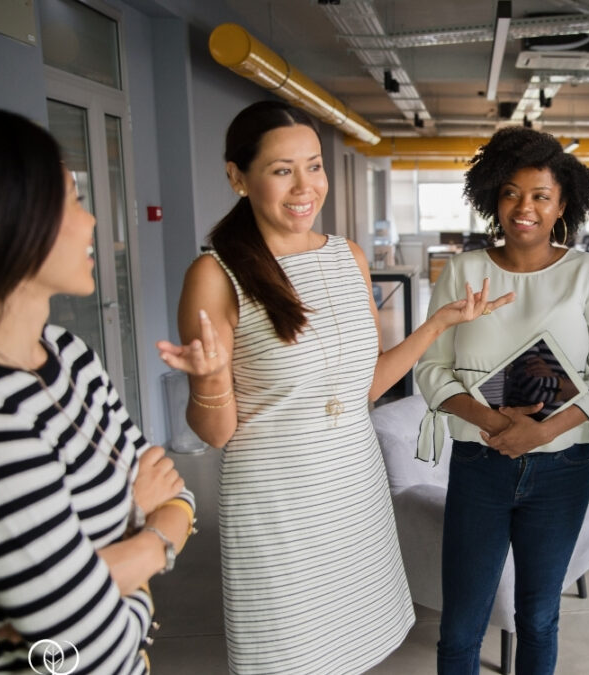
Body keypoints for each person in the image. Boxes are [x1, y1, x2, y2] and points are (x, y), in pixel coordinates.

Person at [156, 100, 512, 674]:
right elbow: (217, 432)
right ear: (236, 176)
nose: (305, 186)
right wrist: (207, 380)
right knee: (287, 655)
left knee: (352, 648)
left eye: (314, 165)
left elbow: (363, 386)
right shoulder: (216, 274)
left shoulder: (347, 257)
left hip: (352, 485)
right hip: (276, 501)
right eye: (281, 169)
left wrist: (438, 324)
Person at [414, 126, 589, 675]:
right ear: (492, 197)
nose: (523, 207)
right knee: (461, 625)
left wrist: (543, 431)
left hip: (562, 469)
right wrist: (492, 421)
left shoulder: (588, 274)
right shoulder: (462, 271)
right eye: (510, 192)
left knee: (538, 617)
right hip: (479, 465)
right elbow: (430, 370)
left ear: (562, 206)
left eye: (540, 196)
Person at [0, 108, 195, 673]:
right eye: (72, 200)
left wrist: (95, 573)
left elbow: (181, 495)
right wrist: (150, 537)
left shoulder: (69, 353)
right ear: (12, 217)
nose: (91, 223)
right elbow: (87, 648)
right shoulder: (1, 419)